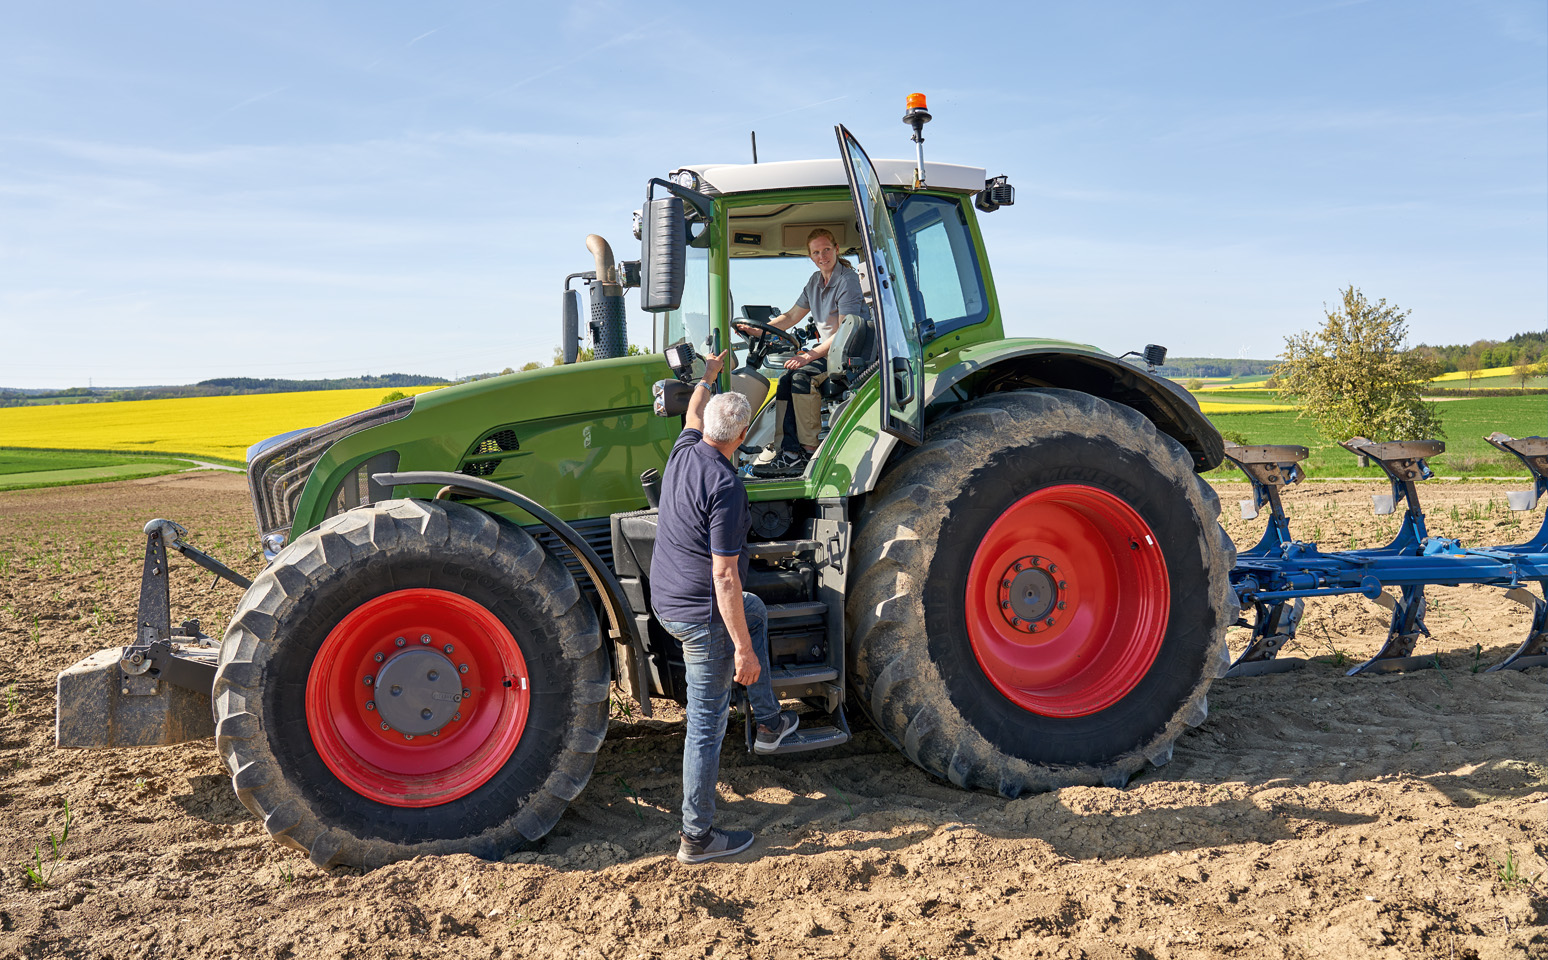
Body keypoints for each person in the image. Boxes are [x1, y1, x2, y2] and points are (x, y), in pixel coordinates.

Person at [650, 348, 800, 864]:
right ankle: (697, 837)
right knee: (705, 726)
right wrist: (742, 651)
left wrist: (708, 376)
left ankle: (769, 724)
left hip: (667, 601)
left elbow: (694, 412)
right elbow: (724, 575)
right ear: (742, 437)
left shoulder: (685, 449)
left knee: (755, 611)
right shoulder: (728, 485)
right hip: (700, 616)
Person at [741, 227, 867, 476]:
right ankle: (787, 452)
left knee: (802, 376)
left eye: (827, 250)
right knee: (786, 380)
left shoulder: (847, 280)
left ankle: (809, 449)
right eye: (816, 252)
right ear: (810, 256)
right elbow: (790, 317)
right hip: (829, 351)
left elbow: (844, 331)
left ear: (836, 249)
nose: (822, 256)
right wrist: (759, 330)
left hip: (848, 352)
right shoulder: (814, 281)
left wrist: (809, 355)